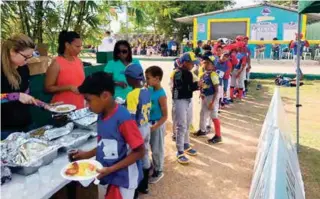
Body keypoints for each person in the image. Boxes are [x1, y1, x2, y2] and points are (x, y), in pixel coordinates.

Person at [75, 72, 145, 199]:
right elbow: (106, 143)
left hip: (123, 180)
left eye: (88, 100)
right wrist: (87, 154)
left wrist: (111, 169)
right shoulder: (101, 115)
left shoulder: (123, 119)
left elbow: (140, 152)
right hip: (107, 175)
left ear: (105, 96)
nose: (87, 106)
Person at [1, 34, 49, 140]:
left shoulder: (24, 68)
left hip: (27, 124)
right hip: (5, 130)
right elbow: (19, 96)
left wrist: (44, 105)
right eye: (26, 57)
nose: (28, 60)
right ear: (13, 51)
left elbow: (26, 97)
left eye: (31, 56)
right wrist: (16, 96)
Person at [124, 63, 151, 196]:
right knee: (145, 154)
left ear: (131, 79)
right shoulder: (146, 90)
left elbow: (130, 119)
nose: (126, 80)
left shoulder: (132, 94)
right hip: (146, 126)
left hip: (137, 130)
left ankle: (133, 192)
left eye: (127, 78)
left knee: (133, 158)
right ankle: (144, 186)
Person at [45, 31, 85, 109]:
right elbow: (47, 88)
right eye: (77, 46)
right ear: (67, 45)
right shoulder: (56, 63)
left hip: (79, 107)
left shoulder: (79, 61)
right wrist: (68, 87)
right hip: (62, 109)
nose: (80, 49)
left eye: (81, 46)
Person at [172, 52, 199, 164]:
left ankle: (186, 143)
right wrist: (196, 86)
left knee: (187, 123)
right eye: (191, 63)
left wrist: (196, 85)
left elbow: (189, 87)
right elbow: (182, 88)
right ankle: (179, 151)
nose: (193, 65)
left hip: (188, 100)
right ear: (184, 63)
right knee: (181, 125)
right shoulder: (178, 73)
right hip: (180, 101)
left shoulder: (188, 73)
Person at [145, 66, 168, 183]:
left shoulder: (161, 95)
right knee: (148, 146)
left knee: (157, 148)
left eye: (148, 78)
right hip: (149, 123)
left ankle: (158, 170)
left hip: (157, 125)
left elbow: (165, 116)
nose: (146, 80)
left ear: (157, 79)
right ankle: (151, 166)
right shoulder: (150, 89)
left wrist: (155, 126)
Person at [195, 55, 221, 143]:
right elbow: (202, 86)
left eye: (208, 63)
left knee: (213, 116)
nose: (205, 64)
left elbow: (217, 90)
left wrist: (212, 102)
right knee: (202, 113)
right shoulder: (203, 74)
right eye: (204, 62)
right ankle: (202, 130)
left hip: (212, 97)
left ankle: (218, 136)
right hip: (205, 97)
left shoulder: (213, 75)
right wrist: (201, 93)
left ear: (213, 66)